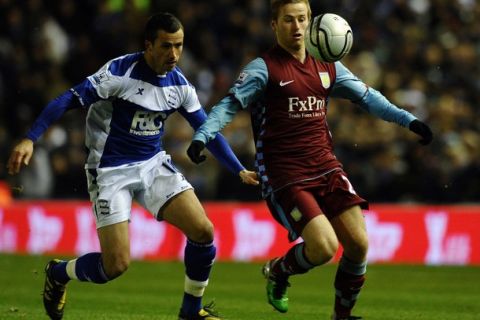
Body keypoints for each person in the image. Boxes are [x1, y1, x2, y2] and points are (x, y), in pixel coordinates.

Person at [186, 1, 433, 319]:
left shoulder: (327, 64)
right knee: (324, 248)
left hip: (326, 166)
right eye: (288, 20)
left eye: (302, 19)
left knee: (358, 245)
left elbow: (369, 98)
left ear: (311, 21)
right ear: (274, 25)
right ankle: (279, 272)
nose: (297, 26)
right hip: (284, 175)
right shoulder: (264, 68)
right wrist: (202, 136)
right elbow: (228, 106)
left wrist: (409, 121)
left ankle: (340, 317)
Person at [7, 12, 258, 320]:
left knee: (204, 230)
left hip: (152, 165)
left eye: (179, 46)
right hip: (109, 170)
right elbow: (67, 99)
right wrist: (30, 138)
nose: (174, 54)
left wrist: (238, 169)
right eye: (166, 46)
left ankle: (191, 311)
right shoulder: (118, 73)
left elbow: (207, 130)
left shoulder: (180, 86)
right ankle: (59, 273)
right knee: (115, 266)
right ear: (148, 45)